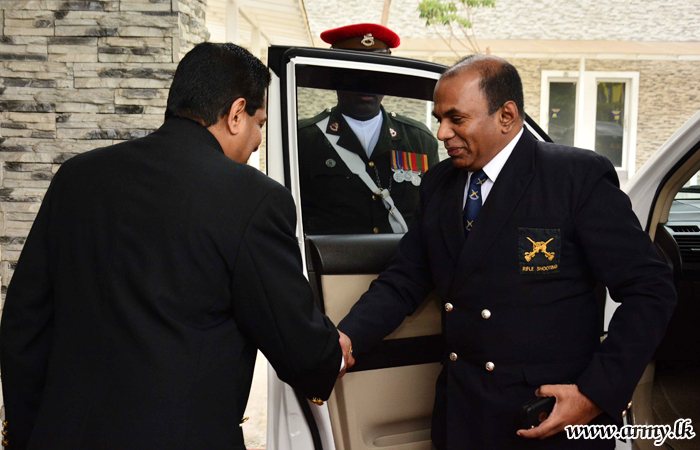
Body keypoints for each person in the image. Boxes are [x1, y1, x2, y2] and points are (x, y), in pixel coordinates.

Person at [0, 42, 348, 450]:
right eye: (259, 124)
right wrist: (331, 353)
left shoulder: (76, 177)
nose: (257, 140)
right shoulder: (253, 199)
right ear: (236, 113)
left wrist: (28, 433)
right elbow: (294, 339)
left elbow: (23, 324)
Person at [337, 55, 677, 449]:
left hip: (547, 418)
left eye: (456, 119)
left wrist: (595, 394)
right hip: (463, 416)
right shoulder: (438, 183)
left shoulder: (573, 178)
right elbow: (406, 277)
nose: (442, 133)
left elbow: (650, 288)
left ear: (507, 116)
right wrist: (347, 337)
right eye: (439, 119)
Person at [298, 23, 440, 235]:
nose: (366, 83)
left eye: (376, 72)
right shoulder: (304, 139)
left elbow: (435, 214)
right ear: (334, 76)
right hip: (330, 257)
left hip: (402, 256)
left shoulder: (419, 139)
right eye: (354, 72)